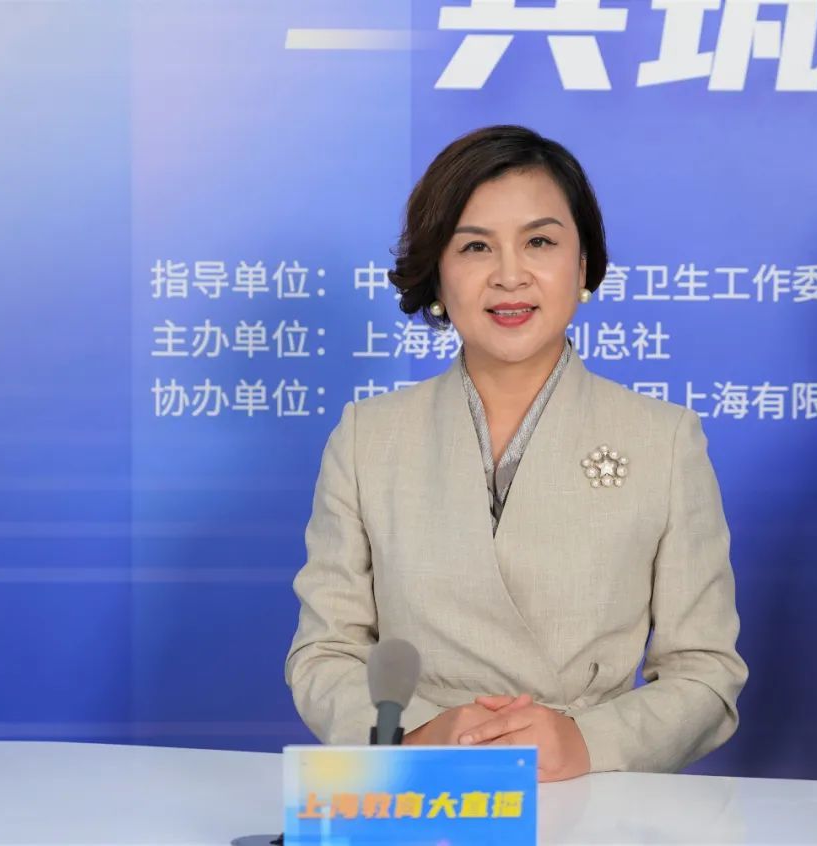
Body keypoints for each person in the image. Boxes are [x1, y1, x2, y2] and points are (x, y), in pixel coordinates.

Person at [284, 125, 748, 782]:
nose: (509, 275)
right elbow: (324, 653)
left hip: (587, 789)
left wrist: (584, 743)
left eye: (540, 242)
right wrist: (415, 737)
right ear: (438, 273)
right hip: (426, 785)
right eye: (475, 246)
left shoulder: (664, 440)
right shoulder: (368, 437)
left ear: (582, 266)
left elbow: (705, 672)